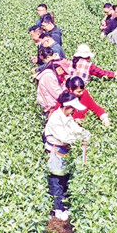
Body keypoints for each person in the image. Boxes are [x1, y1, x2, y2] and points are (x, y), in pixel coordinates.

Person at [44, 91, 91, 220]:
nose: (74, 111)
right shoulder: (55, 119)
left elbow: (75, 128)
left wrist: (85, 133)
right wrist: (80, 138)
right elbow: (64, 137)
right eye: (72, 108)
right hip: (55, 150)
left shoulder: (67, 117)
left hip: (64, 150)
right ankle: (57, 209)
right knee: (56, 179)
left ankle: (62, 204)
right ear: (66, 107)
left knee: (64, 177)